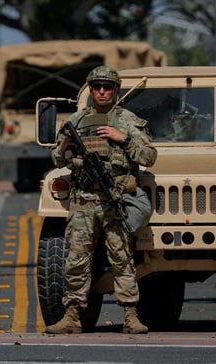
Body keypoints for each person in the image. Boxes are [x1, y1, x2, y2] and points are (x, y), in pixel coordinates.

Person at [45, 66, 157, 335]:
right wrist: (65, 146)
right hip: (83, 200)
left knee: (122, 258)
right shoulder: (77, 120)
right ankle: (72, 316)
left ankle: (130, 316)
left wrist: (124, 139)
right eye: (97, 87)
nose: (102, 91)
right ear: (91, 90)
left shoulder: (127, 121)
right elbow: (57, 160)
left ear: (116, 90)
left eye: (107, 87)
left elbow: (149, 157)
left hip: (115, 199)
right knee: (76, 259)